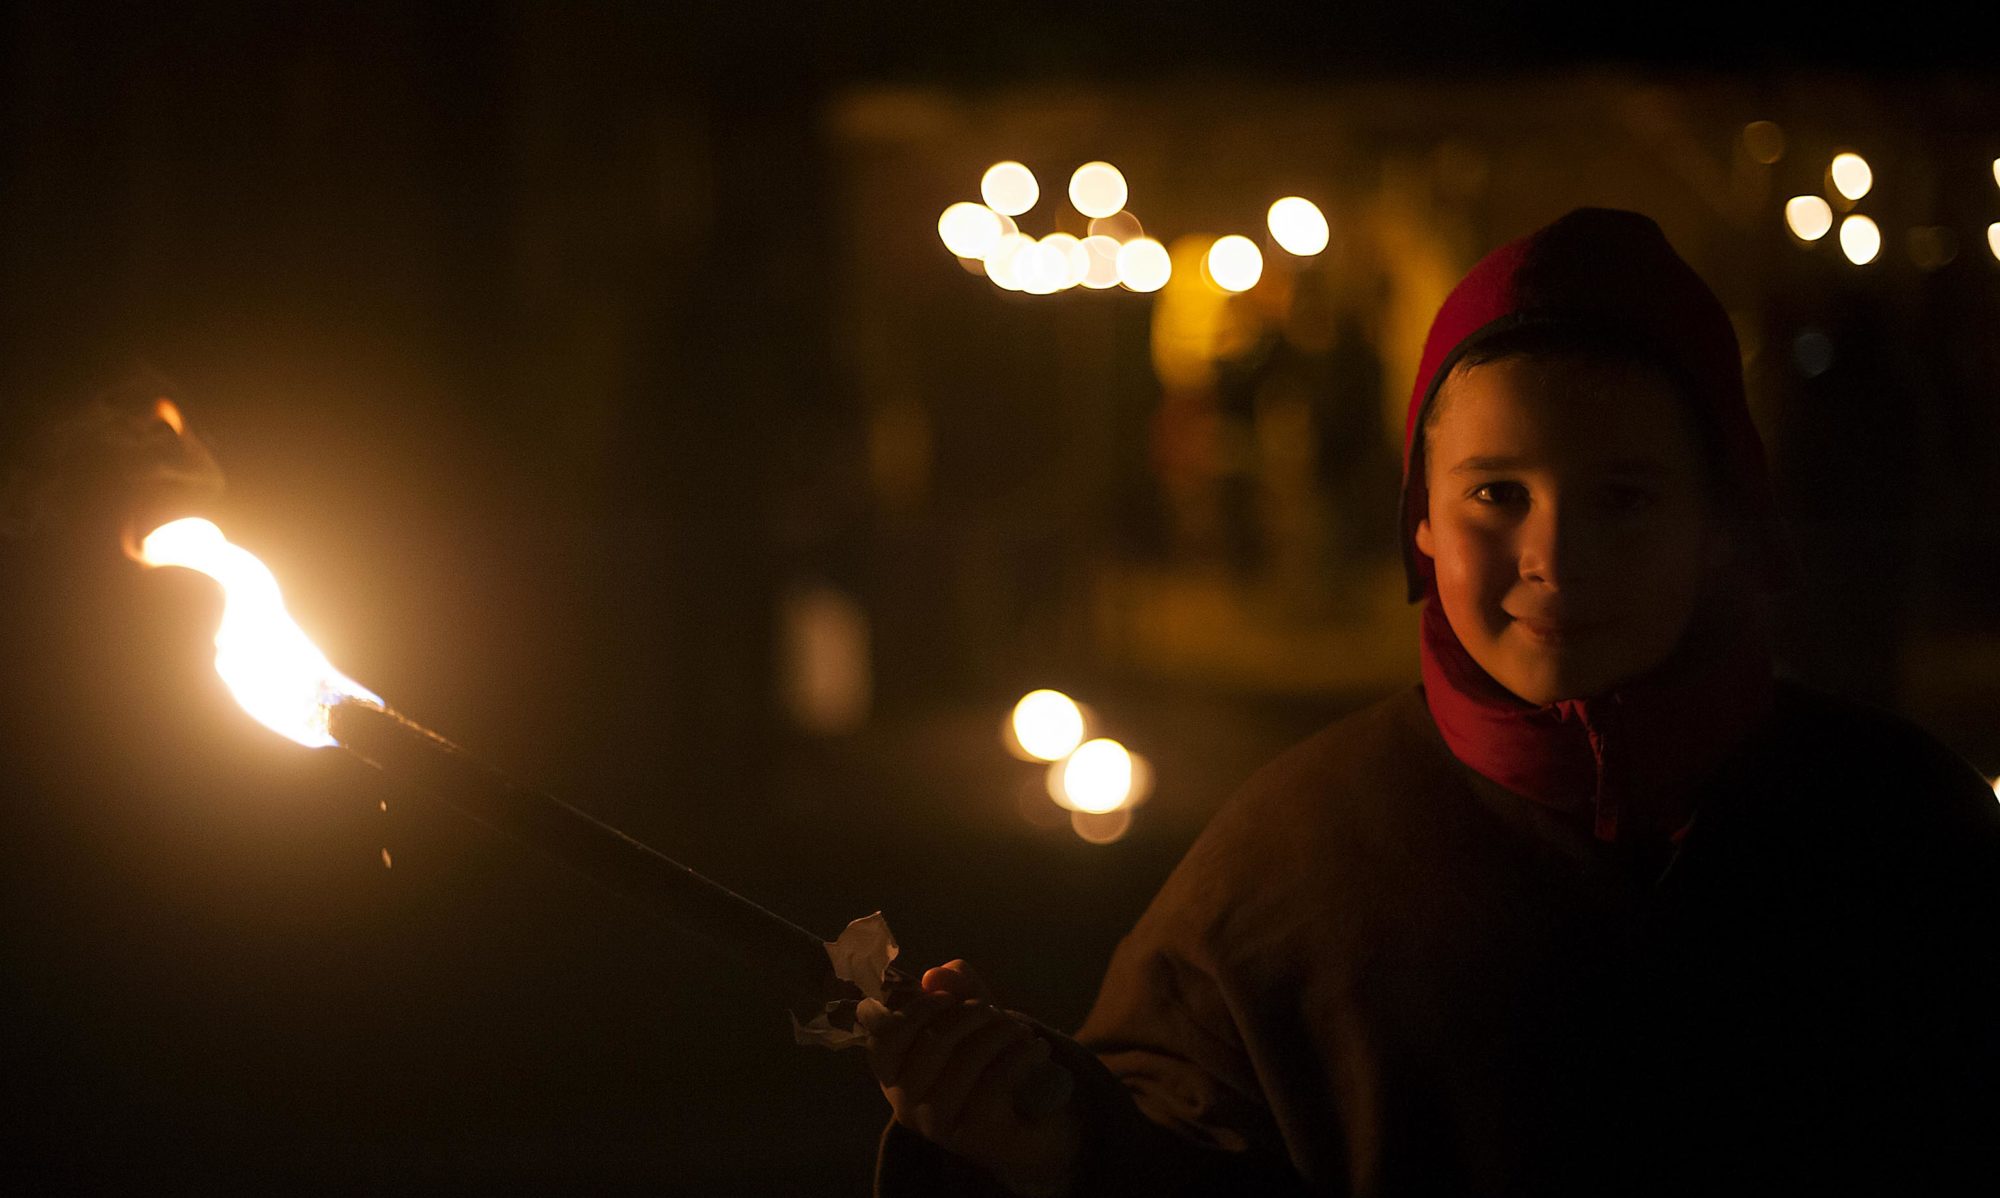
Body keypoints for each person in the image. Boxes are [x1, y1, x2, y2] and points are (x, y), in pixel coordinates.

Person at [856, 208, 2000, 1195]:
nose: (1554, 554)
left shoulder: (1898, 827)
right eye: (1496, 492)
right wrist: (1055, 1149)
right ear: (1417, 519)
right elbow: (1176, 1152)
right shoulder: (1282, 873)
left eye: (1624, 497)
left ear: (1721, 519)